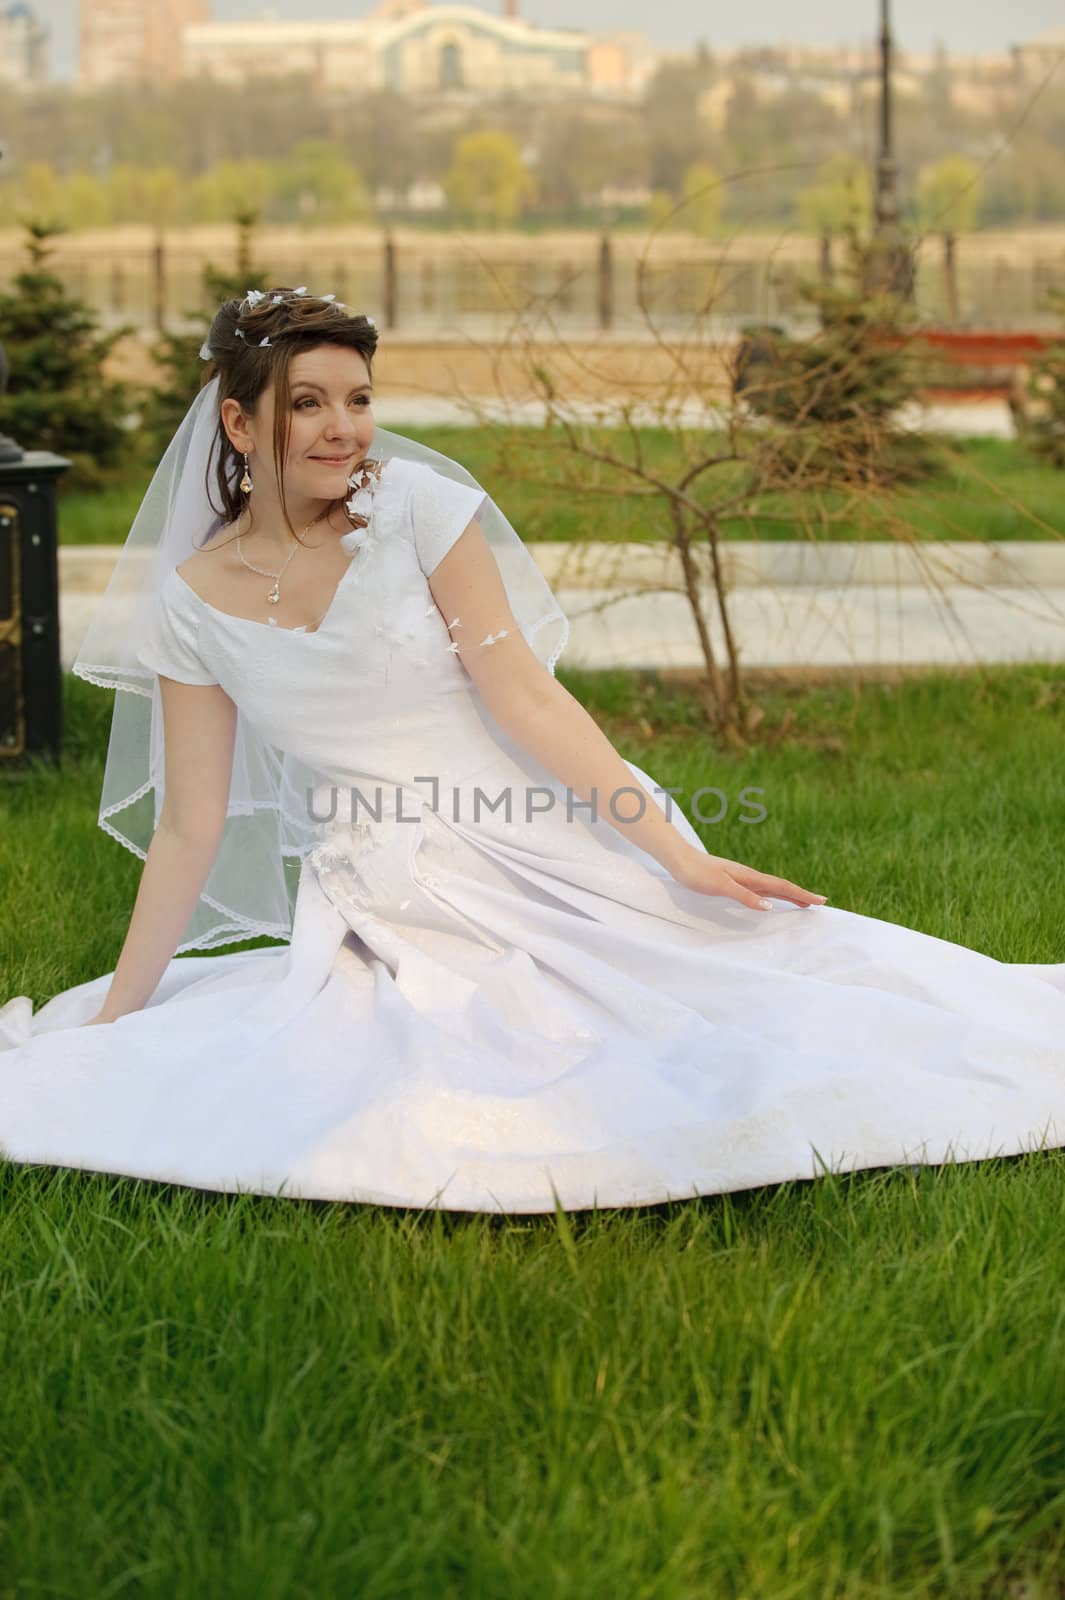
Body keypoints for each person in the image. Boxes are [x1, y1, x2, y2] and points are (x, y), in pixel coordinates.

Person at [1, 287, 1063, 1215]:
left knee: (768, 1000)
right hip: (384, 890)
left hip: (550, 832)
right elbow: (189, 828)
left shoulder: (419, 510)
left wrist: (679, 857)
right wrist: (115, 1015)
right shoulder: (190, 605)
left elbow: (526, 699)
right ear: (237, 421)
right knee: (417, 1060)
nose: (343, 428)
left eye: (359, 398)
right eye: (308, 404)